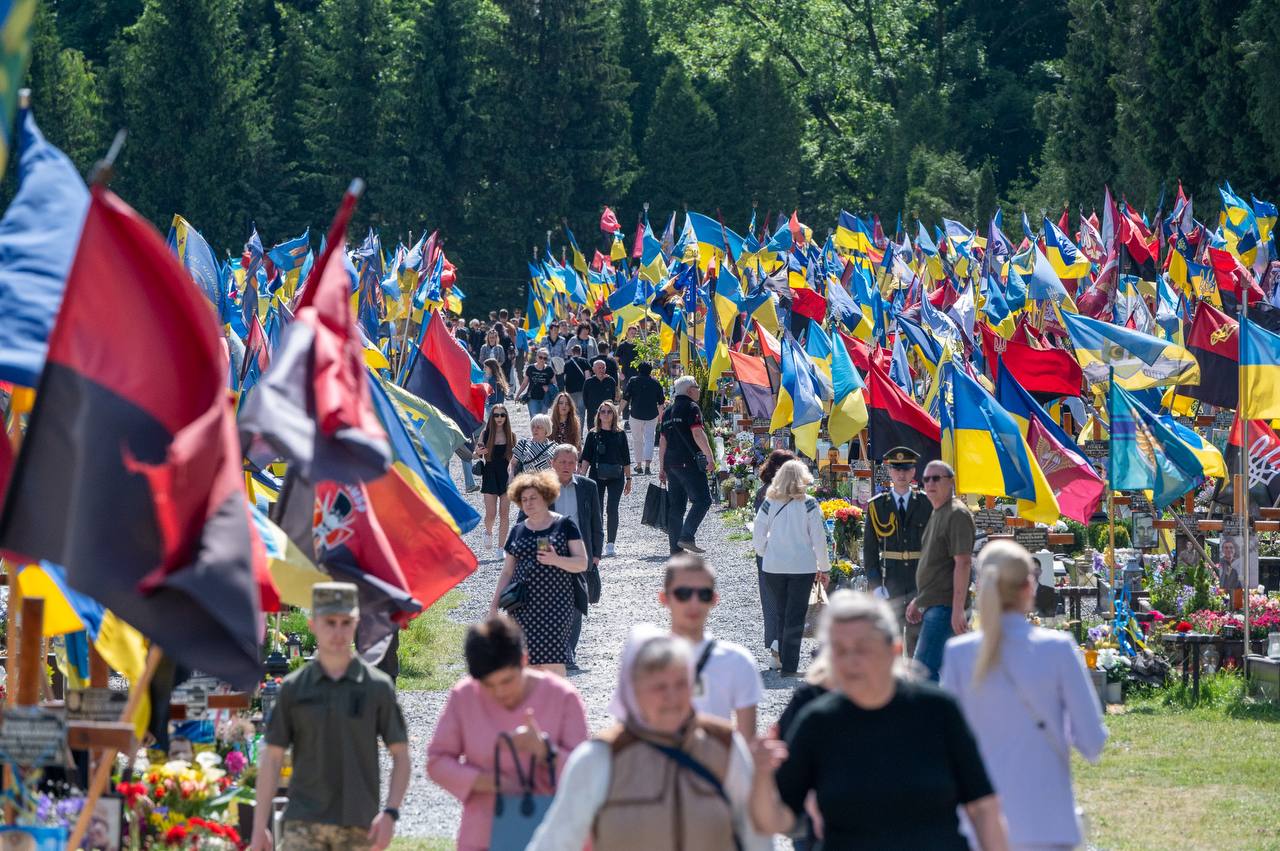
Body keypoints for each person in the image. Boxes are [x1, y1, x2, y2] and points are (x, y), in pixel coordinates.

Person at [747, 590, 1009, 851]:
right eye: (839, 650)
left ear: (894, 650)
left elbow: (983, 806)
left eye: (863, 649)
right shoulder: (817, 722)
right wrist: (761, 775)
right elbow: (774, 821)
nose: (851, 661)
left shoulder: (938, 711)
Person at [527, 626, 770, 851]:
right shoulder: (600, 758)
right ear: (632, 691)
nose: (671, 697)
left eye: (680, 684)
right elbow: (556, 842)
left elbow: (754, 835)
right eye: (659, 687)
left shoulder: (724, 745)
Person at [941, 541, 1106, 851]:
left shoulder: (958, 655)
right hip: (1047, 821)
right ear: (1029, 586)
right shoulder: (1057, 649)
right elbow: (1092, 743)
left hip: (979, 828)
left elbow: (946, 746)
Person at [250, 583, 410, 851]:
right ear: (313, 625)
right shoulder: (294, 687)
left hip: (358, 825)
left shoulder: (376, 687)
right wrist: (258, 828)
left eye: (345, 622)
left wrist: (391, 814)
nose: (338, 631)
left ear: (356, 624)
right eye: (330, 622)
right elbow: (272, 758)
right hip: (303, 824)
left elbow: (402, 756)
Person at [427, 615, 589, 851]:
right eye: (488, 685)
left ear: (524, 660)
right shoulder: (465, 696)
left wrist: (546, 752)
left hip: (552, 836)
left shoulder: (563, 697)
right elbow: (437, 762)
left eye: (507, 680)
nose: (499, 692)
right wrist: (489, 782)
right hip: (483, 836)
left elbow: (587, 773)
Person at [489, 471, 589, 677]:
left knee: (553, 662)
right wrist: (493, 606)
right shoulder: (517, 530)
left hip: (557, 607)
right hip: (522, 607)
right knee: (526, 663)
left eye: (533, 497)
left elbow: (582, 563)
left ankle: (559, 705)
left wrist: (556, 560)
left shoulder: (565, 525)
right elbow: (507, 571)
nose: (528, 503)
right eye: (524, 499)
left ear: (546, 495)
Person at [660, 554, 762, 740]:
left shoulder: (737, 661)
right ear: (664, 598)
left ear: (714, 600)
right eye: (683, 593)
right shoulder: (643, 660)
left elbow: (747, 743)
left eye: (703, 595)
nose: (694, 603)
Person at [752, 460, 830, 676]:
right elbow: (819, 538)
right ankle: (789, 666)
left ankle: (782, 658)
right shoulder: (809, 504)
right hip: (802, 567)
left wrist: (764, 551)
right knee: (796, 615)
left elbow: (758, 533)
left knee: (780, 612)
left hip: (773, 566)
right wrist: (824, 567)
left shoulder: (769, 502)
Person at [906, 459, 976, 681]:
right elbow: (936, 565)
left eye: (936, 478)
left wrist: (957, 609)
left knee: (922, 671)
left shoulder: (957, 514)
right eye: (926, 479)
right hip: (935, 604)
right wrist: (920, 600)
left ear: (951, 482)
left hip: (946, 607)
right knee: (948, 671)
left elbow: (963, 563)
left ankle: (934, 716)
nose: (930, 483)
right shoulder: (938, 511)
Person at [863, 446, 933, 657]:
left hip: (917, 580)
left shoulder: (926, 504)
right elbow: (870, 550)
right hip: (889, 579)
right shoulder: (877, 506)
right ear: (890, 472)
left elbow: (933, 547)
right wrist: (875, 586)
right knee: (889, 639)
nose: (901, 474)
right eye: (897, 469)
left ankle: (914, 682)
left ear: (913, 472)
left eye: (906, 469)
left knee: (916, 637)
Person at [544, 444, 603, 671]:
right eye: (562, 462)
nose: (567, 466)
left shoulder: (588, 487)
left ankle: (568, 653)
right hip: (550, 554)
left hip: (580, 554)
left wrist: (596, 554)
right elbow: (527, 520)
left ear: (577, 464)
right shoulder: (541, 487)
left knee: (577, 606)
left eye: (571, 462)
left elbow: (596, 521)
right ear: (553, 463)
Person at [658, 375, 716, 554]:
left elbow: (662, 441)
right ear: (690, 390)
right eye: (697, 387)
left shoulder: (668, 411)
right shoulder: (692, 407)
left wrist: (661, 468)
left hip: (671, 464)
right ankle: (687, 536)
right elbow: (697, 433)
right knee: (703, 500)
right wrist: (710, 457)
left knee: (676, 507)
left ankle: (675, 549)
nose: (699, 390)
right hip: (688, 463)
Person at [753, 449, 797, 669]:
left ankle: (776, 651)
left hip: (768, 556)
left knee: (771, 603)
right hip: (791, 556)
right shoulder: (797, 494)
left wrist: (761, 553)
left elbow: (758, 530)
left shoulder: (762, 492)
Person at [580, 401, 632, 557]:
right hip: (596, 475)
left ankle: (611, 543)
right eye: (603, 411)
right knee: (597, 510)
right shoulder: (592, 434)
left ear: (614, 414)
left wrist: (629, 478)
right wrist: (581, 476)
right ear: (598, 414)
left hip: (616, 476)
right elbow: (586, 457)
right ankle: (598, 542)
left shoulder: (620, 434)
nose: (606, 414)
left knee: (612, 508)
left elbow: (626, 458)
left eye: (609, 412)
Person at [476, 405, 514, 554]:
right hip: (490, 475)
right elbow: (475, 454)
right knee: (491, 514)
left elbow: (515, 459)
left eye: (502, 415)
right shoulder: (485, 434)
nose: (499, 418)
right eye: (496, 415)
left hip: (506, 476)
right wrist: (478, 452)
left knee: (504, 513)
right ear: (492, 417)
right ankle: (488, 531)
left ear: (506, 417)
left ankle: (500, 548)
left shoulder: (512, 435)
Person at [622, 361, 664, 475]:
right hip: (652, 415)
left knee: (637, 440)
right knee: (649, 439)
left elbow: (625, 398)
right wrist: (660, 417)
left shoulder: (633, 381)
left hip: (636, 414)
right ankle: (648, 466)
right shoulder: (656, 383)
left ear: (638, 370)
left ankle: (639, 465)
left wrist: (618, 411)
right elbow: (661, 403)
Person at [517, 349, 556, 416]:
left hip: (545, 398)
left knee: (543, 420)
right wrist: (518, 394)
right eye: (540, 357)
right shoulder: (530, 368)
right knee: (534, 419)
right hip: (532, 398)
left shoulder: (549, 369)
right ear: (536, 357)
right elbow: (524, 383)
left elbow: (555, 384)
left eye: (545, 358)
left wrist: (549, 387)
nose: (542, 360)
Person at [582, 359, 618, 428]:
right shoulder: (588, 382)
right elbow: (585, 398)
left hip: (607, 414)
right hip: (593, 414)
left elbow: (613, 397)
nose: (601, 370)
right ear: (593, 369)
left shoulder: (611, 381)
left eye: (603, 367)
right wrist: (590, 408)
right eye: (599, 368)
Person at [561, 345, 591, 424]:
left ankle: (573, 432)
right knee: (581, 412)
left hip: (570, 391)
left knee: (572, 412)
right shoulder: (584, 361)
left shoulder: (567, 363)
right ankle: (579, 434)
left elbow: (564, 378)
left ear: (572, 352)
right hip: (582, 390)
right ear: (580, 352)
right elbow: (587, 377)